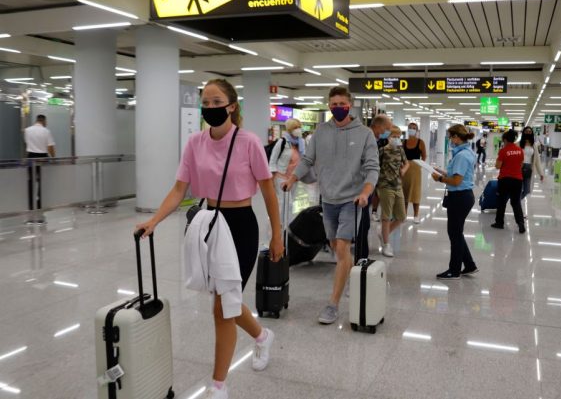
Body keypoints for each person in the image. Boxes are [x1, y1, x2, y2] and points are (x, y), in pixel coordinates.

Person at [135, 79, 284, 399]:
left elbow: (268, 192)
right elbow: (179, 189)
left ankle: (218, 386)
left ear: (232, 106)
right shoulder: (195, 143)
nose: (211, 108)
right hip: (210, 224)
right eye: (206, 102)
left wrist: (277, 235)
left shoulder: (249, 142)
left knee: (222, 307)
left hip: (241, 227)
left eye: (217, 102)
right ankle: (262, 336)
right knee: (226, 301)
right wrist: (154, 220)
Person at [282, 86, 379, 325]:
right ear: (328, 106)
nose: (338, 108)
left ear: (350, 105)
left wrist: (366, 192)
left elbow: (372, 168)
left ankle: (332, 305)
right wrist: (292, 179)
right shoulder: (321, 132)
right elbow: (308, 160)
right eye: (334, 104)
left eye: (342, 104)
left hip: (352, 200)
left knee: (343, 247)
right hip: (327, 199)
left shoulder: (364, 133)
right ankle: (349, 278)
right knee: (336, 247)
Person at [431, 124, 478, 280]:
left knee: (454, 233)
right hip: (463, 196)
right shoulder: (466, 152)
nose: (450, 139)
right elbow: (457, 175)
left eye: (451, 136)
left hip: (459, 197)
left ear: (457, 137)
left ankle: (454, 270)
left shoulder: (461, 156)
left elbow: (456, 181)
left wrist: (440, 178)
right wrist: (442, 172)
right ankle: (469, 265)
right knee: (456, 232)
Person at [360, 114, 392, 261]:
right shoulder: (366, 138)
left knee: (364, 223)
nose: (388, 132)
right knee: (362, 223)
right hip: (361, 186)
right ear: (379, 126)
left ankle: (362, 255)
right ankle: (361, 258)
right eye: (387, 129)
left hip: (369, 185)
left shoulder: (376, 140)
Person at [377, 125, 409, 257]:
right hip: (385, 185)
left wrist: (403, 170)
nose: (396, 138)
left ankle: (383, 233)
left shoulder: (400, 150)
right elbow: (375, 166)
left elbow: (407, 163)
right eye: (394, 136)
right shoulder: (382, 151)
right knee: (386, 216)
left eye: (398, 136)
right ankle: (386, 245)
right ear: (388, 137)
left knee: (401, 216)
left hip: (398, 185)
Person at [269, 117, 304, 219]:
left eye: (299, 127)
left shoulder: (300, 143)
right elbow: (273, 159)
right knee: (285, 202)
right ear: (290, 129)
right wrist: (272, 176)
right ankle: (280, 223)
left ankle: (287, 223)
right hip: (281, 176)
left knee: (291, 202)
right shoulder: (282, 141)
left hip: (294, 177)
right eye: (296, 127)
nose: (298, 129)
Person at [491, 129, 526, 234]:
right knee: (516, 202)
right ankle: (520, 223)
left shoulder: (503, 151)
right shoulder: (520, 150)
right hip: (517, 180)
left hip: (505, 179)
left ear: (505, 140)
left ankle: (499, 223)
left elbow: (498, 166)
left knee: (501, 201)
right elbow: (521, 165)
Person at [24, 114, 55, 211]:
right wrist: (54, 158)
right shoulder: (46, 131)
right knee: (42, 180)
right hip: (42, 157)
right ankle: (39, 203)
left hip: (30, 157)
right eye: (46, 121)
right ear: (43, 121)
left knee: (31, 180)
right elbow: (50, 147)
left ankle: (30, 203)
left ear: (36, 120)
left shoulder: (27, 130)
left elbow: (27, 144)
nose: (46, 123)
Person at [402, 122, 426, 224]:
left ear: (417, 131)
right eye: (410, 127)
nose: (412, 129)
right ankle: (404, 214)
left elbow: (424, 156)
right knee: (404, 192)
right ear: (408, 129)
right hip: (405, 169)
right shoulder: (404, 142)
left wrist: (420, 165)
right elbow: (401, 155)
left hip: (416, 170)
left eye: (414, 128)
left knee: (415, 192)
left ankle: (416, 215)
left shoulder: (420, 142)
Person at [519, 126, 544, 199]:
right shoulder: (518, 144)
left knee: (527, 190)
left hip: (529, 169)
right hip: (519, 168)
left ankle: (516, 201)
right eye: (526, 131)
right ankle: (517, 204)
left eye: (530, 131)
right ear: (523, 132)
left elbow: (537, 161)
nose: (528, 133)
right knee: (519, 189)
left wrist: (541, 173)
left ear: (532, 133)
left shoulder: (534, 146)